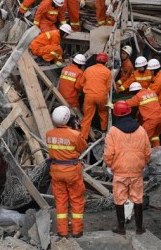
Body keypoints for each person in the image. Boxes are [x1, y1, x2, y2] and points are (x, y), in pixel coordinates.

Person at [105, 101, 151, 235]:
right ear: (129, 112)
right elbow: (147, 151)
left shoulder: (113, 131)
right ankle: (139, 228)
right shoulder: (141, 130)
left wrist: (109, 165)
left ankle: (121, 228)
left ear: (116, 115)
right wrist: (142, 163)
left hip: (119, 171)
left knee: (119, 198)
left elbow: (109, 153)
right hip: (136, 170)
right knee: (137, 198)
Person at [46, 106, 88, 238]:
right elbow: (83, 147)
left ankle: (62, 231)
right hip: (72, 172)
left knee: (60, 201)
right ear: (68, 119)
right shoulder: (75, 135)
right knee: (76, 200)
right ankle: (77, 231)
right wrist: (76, 129)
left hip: (56, 171)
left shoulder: (49, 134)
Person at [79, 52, 112, 140]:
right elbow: (108, 87)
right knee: (103, 112)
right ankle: (103, 131)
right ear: (105, 62)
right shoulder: (108, 72)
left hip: (89, 96)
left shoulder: (88, 69)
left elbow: (81, 83)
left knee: (87, 117)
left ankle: (83, 137)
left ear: (96, 60)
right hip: (101, 96)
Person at [125, 82, 161, 147]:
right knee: (155, 135)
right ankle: (157, 152)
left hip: (151, 120)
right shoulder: (152, 92)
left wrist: (114, 105)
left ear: (134, 91)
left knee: (143, 139)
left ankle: (144, 155)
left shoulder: (138, 96)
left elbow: (127, 103)